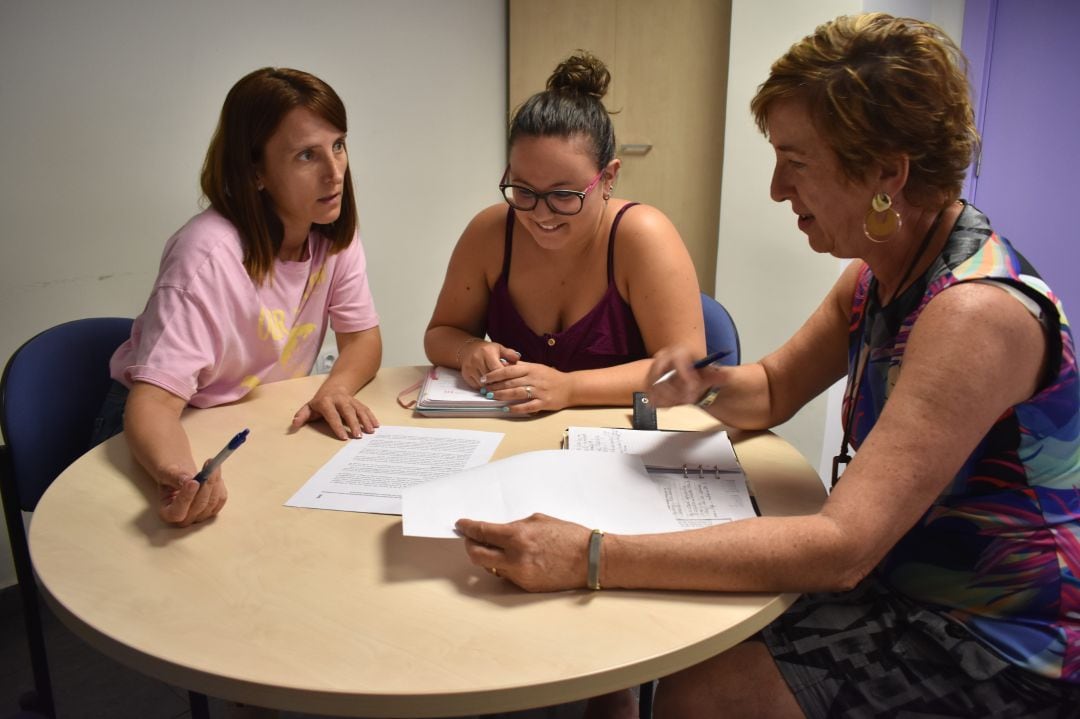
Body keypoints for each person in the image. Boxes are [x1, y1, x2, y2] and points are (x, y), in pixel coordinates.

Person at [454, 14, 1080, 718]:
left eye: (797, 160)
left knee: (703, 690)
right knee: (669, 626)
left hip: (998, 637)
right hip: (899, 578)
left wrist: (590, 553)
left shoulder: (975, 314)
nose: (779, 188)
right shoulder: (878, 275)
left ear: (887, 174)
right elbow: (775, 388)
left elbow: (842, 546)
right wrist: (699, 384)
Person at [97, 67, 382, 528]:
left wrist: (336, 388)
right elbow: (153, 405)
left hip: (245, 419)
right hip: (165, 429)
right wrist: (180, 473)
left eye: (338, 145)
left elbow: (363, 340)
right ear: (256, 172)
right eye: (307, 155)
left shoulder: (332, 237)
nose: (335, 174)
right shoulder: (206, 254)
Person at [424, 52, 704, 414]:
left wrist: (570, 388)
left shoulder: (642, 237)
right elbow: (441, 333)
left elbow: (688, 369)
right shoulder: (490, 233)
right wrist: (470, 350)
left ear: (608, 178)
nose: (541, 213)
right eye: (524, 191)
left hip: (619, 443)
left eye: (563, 195)